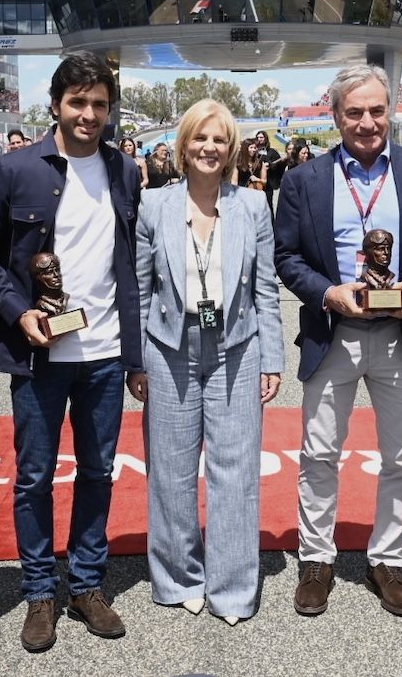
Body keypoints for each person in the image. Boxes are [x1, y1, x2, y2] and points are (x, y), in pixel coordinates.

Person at [0, 51, 143, 653]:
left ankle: (87, 584)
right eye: (78, 102)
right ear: (56, 105)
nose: (89, 114)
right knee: (35, 478)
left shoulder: (125, 172)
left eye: (99, 103)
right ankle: (40, 592)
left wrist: (137, 353)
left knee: (97, 473)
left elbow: (129, 264)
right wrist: (19, 310)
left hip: (105, 353)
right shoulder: (16, 170)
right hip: (40, 356)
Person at [274, 64, 402, 618]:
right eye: (354, 112)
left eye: (377, 110)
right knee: (320, 453)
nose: (367, 121)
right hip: (335, 334)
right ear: (335, 117)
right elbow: (286, 258)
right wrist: (327, 293)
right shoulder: (304, 180)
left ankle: (387, 559)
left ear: (390, 112)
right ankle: (316, 560)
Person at [130, 98, 283, 626]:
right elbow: (141, 290)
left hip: (237, 350)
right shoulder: (153, 205)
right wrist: (138, 361)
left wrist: (273, 359)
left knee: (236, 472)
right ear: (183, 145)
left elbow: (266, 289)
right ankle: (178, 579)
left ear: (232, 147)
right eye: (200, 138)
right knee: (170, 472)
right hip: (169, 349)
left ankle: (233, 588)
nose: (209, 148)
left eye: (219, 139)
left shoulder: (253, 206)